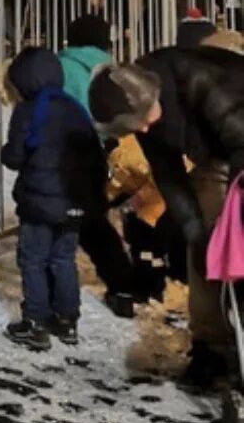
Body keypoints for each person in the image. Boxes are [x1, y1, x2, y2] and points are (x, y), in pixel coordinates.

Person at [89, 43, 244, 385]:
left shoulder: (203, 81)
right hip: (215, 157)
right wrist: (195, 231)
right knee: (206, 248)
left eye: (143, 121)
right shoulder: (142, 110)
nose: (143, 131)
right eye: (134, 127)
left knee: (238, 243)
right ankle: (210, 347)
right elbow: (169, 175)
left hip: (240, 146)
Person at [1, 46, 101, 350]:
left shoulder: (29, 110)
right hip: (75, 200)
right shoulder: (75, 108)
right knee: (63, 258)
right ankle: (68, 320)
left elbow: (16, 156)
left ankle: (36, 321)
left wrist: (9, 152)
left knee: (33, 259)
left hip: (39, 203)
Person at [57, 13, 137, 317]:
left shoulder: (61, 65)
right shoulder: (113, 72)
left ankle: (55, 292)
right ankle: (123, 286)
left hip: (63, 149)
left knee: (58, 219)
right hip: (99, 150)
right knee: (95, 221)